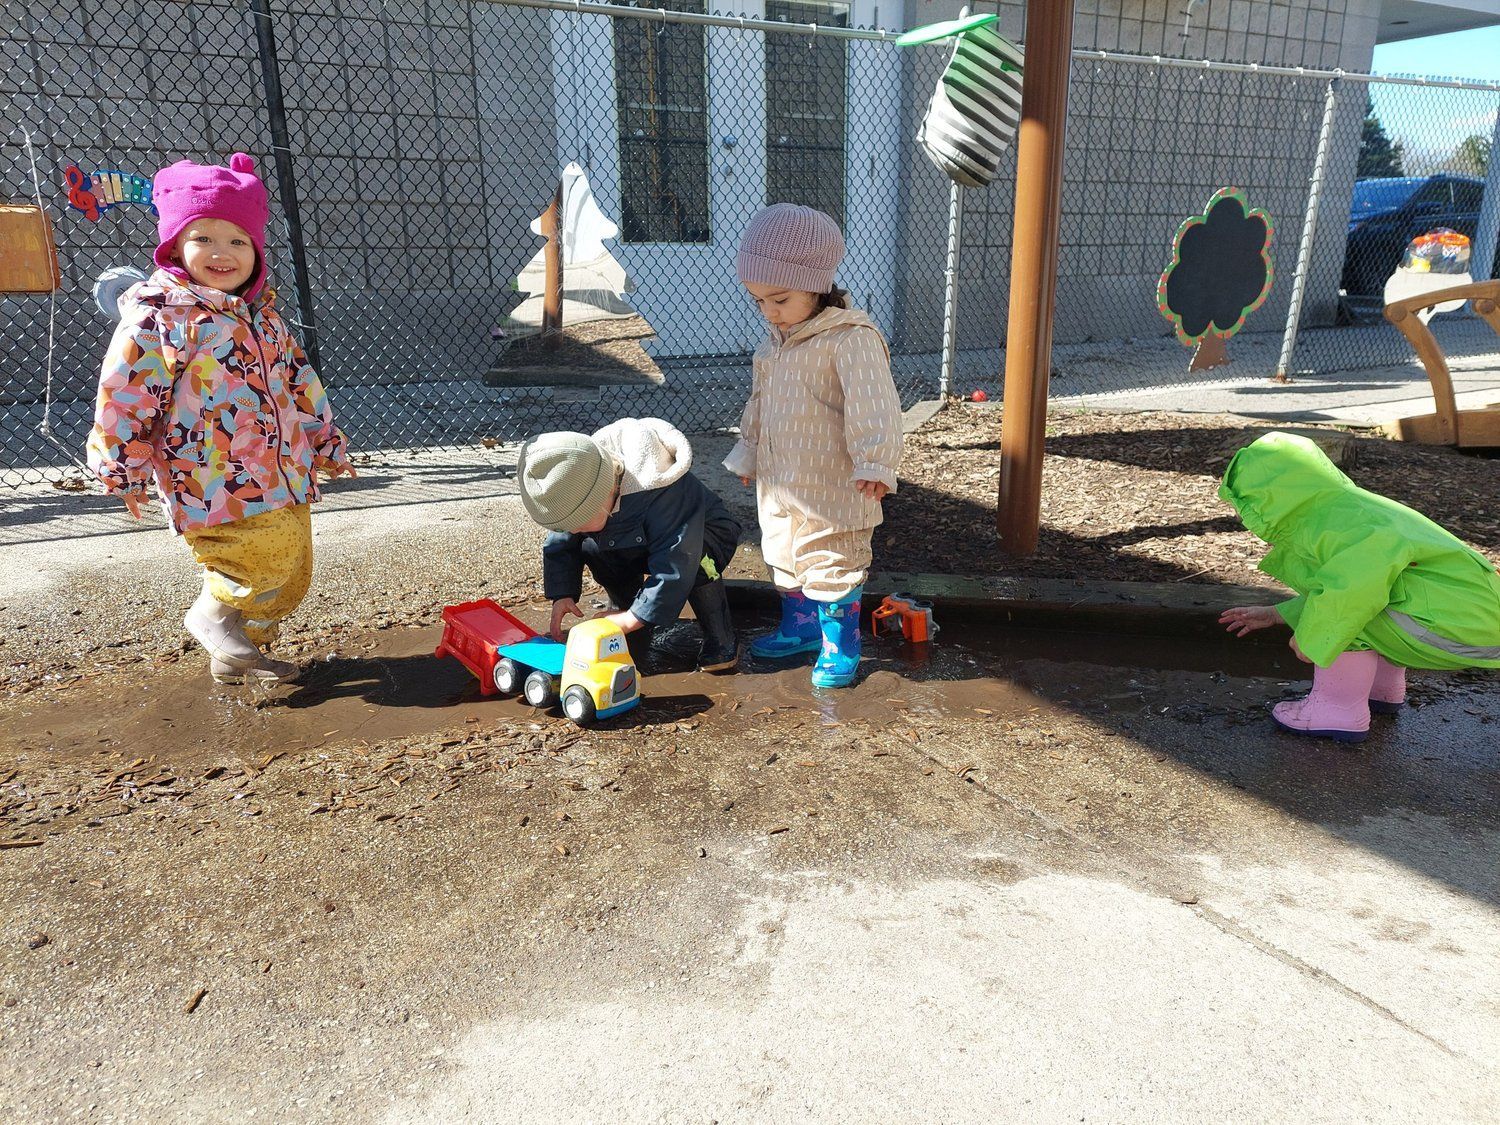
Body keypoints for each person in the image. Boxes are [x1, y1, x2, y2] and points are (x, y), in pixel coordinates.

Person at [87, 153, 353, 686]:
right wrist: (122, 468)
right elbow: (126, 395)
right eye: (202, 238)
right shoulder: (162, 316)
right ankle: (210, 617)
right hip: (209, 475)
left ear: (256, 251)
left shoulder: (264, 317)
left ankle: (236, 653)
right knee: (255, 561)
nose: (221, 252)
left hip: (282, 469)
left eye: (237, 241)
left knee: (292, 572)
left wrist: (325, 442)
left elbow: (300, 383)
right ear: (174, 247)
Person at [1219, 431, 1500, 742]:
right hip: (1468, 617)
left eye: (1243, 505)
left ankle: (1337, 710)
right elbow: (1351, 584)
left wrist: (1313, 637)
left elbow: (1348, 598)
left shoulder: (1333, 524)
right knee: (1353, 608)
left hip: (1460, 627)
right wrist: (1276, 613)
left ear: (1268, 501)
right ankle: (1382, 690)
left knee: (1342, 621)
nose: (1241, 516)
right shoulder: (1344, 510)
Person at [725, 203, 904, 689]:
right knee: (783, 552)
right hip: (782, 481)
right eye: (758, 301)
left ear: (816, 286)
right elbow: (760, 403)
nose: (769, 312)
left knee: (832, 557)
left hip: (834, 484)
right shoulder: (774, 344)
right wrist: (749, 452)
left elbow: (875, 405)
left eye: (780, 299)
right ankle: (801, 628)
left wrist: (875, 461)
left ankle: (840, 644)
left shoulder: (850, 339)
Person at [518, 418, 741, 673]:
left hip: (700, 536)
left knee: (699, 560)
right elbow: (561, 541)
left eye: (578, 523)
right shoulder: (579, 488)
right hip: (638, 540)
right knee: (590, 545)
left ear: (605, 495)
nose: (573, 530)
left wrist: (630, 620)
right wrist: (563, 593)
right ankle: (628, 610)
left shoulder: (659, 489)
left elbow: (676, 563)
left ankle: (720, 637)